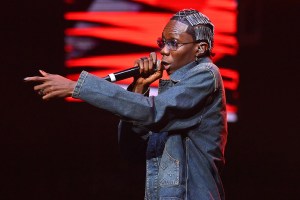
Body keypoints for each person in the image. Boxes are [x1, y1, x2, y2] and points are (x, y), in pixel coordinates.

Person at [24, 9, 228, 200]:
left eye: (174, 43)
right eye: (162, 42)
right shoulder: (174, 90)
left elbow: (154, 113)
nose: (164, 51)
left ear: (200, 48)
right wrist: (139, 87)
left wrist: (75, 87)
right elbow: (131, 150)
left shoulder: (206, 74)